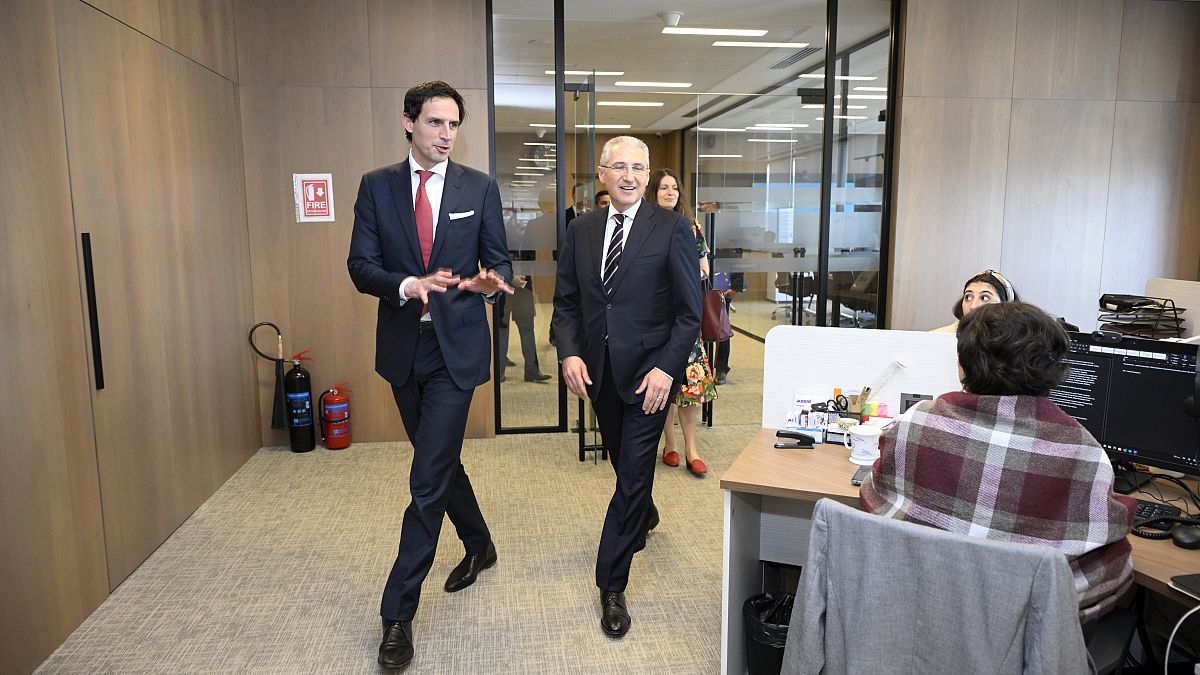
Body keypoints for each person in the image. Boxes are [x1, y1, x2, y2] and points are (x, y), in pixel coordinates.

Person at [347, 80, 514, 670]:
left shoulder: (478, 187)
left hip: (454, 352)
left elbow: (497, 259)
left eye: (453, 125)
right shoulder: (376, 187)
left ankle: (397, 614)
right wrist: (406, 285)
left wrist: (487, 281)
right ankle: (480, 543)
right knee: (440, 461)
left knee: (424, 483)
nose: (446, 134)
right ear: (408, 122)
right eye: (436, 123)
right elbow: (359, 266)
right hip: (402, 349)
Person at [860, 301, 1134, 624]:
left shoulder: (917, 423)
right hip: (1022, 643)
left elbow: (875, 492)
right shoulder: (1085, 454)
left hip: (915, 625)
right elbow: (1110, 571)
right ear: (1053, 370)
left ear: (962, 365)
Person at [552, 136, 702, 637]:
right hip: (599, 372)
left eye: (640, 167)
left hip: (650, 377)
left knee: (633, 473)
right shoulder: (582, 229)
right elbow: (568, 304)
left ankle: (611, 584)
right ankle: (645, 512)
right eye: (620, 166)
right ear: (602, 173)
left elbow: (688, 313)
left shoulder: (672, 228)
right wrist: (569, 351)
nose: (631, 176)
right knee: (624, 464)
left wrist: (666, 369)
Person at [648, 169, 716, 476]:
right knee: (661, 385)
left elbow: (704, 269)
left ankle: (691, 448)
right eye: (663, 187)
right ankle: (670, 444)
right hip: (653, 319)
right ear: (654, 192)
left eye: (674, 188)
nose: (669, 192)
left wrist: (685, 277)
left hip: (686, 318)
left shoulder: (692, 227)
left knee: (691, 387)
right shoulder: (645, 226)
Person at [499, 191, 553, 383]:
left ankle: (531, 370)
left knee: (527, 327)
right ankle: (499, 372)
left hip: (523, 286)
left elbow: (530, 255)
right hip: (502, 286)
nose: (513, 215)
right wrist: (509, 277)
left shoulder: (528, 229)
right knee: (502, 328)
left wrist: (525, 277)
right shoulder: (496, 231)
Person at [933, 268, 1019, 332]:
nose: (973, 306)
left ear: (1006, 305)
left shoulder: (1020, 344)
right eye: (968, 297)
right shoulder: (939, 337)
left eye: (984, 298)